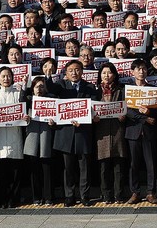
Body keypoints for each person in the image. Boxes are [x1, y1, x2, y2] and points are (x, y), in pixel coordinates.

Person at [48, 60, 100, 207]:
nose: (74, 73)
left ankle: (85, 196)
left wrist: (87, 118)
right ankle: (69, 196)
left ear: (82, 72)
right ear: (66, 72)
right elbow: (50, 91)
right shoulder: (60, 86)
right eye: (71, 70)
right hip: (65, 133)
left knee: (85, 167)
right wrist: (48, 76)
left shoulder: (90, 87)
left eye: (77, 70)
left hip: (83, 132)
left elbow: (94, 106)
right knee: (68, 168)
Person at [0, 66, 27, 209]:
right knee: (0, 174)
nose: (6, 79)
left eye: (8, 76)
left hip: (14, 136)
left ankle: (13, 199)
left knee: (15, 174)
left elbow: (23, 108)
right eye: (3, 76)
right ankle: (1, 199)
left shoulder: (17, 92)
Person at [125, 59, 157, 205]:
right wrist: (144, 118)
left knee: (151, 163)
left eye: (144, 68)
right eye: (138, 69)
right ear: (132, 72)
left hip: (149, 132)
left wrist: (150, 111)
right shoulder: (126, 90)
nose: (141, 71)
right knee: (134, 164)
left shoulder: (153, 89)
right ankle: (135, 192)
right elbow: (127, 110)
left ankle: (151, 192)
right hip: (133, 131)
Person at [94, 63, 127, 204]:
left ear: (114, 75)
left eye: (109, 72)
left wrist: (123, 116)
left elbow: (127, 106)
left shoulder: (121, 90)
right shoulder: (95, 91)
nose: (106, 76)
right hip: (101, 132)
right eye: (103, 73)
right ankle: (106, 195)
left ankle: (119, 195)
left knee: (118, 166)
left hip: (117, 131)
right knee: (103, 167)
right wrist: (93, 117)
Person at [23, 77, 55, 206]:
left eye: (42, 86)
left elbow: (58, 117)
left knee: (47, 168)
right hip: (32, 136)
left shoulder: (52, 99)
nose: (39, 89)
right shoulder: (28, 100)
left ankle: (48, 197)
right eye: (37, 86)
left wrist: (53, 122)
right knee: (34, 168)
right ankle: (36, 197)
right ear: (32, 88)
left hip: (46, 135)